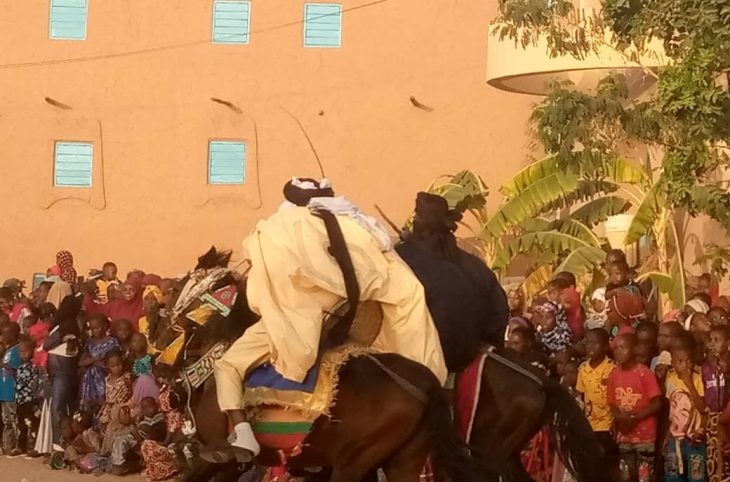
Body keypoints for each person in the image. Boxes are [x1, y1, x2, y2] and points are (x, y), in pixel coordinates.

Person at [212, 179, 447, 461]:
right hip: (352, 320)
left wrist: (277, 309)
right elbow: (392, 279)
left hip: (301, 321)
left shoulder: (279, 229)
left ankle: (243, 435)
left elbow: (265, 291)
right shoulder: (356, 226)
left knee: (227, 364)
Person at [607, 333, 662, 482]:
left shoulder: (644, 373)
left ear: (635, 349)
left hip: (645, 436)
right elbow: (612, 404)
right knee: (625, 476)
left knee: (644, 476)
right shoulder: (613, 375)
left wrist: (636, 418)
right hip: (624, 435)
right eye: (616, 348)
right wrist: (621, 419)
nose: (618, 351)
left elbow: (657, 403)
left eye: (623, 347)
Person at [664, 344, 707, 482]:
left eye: (688, 361)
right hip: (674, 437)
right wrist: (667, 434)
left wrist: (689, 383)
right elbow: (671, 409)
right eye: (680, 361)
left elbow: (702, 408)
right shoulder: (670, 380)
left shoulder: (698, 379)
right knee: (673, 474)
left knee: (696, 475)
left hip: (694, 437)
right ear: (672, 363)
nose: (685, 365)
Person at [577, 328, 618, 471]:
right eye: (588, 343)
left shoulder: (612, 368)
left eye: (595, 343)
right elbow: (581, 395)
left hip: (608, 424)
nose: (591, 347)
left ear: (606, 346)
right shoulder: (583, 369)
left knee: (607, 461)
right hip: (589, 424)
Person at [703, 326, 728, 482]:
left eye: (717, 340)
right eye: (711, 340)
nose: (712, 344)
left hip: (727, 417)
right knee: (714, 461)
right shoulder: (705, 367)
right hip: (712, 419)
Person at [79, 315, 119, 412]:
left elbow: (112, 361)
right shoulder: (89, 343)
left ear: (105, 326)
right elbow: (80, 363)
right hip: (89, 380)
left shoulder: (112, 342)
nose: (94, 331)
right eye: (92, 329)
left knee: (103, 406)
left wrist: (94, 363)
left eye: (97, 328)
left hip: (104, 378)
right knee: (89, 407)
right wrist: (94, 360)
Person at [0, 322, 21, 455]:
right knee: (6, 420)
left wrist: (2, 363)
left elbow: (15, 368)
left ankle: (18, 445)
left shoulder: (18, 349)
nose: (2, 336)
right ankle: (7, 445)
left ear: (13, 335)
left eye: (5, 333)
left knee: (14, 420)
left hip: (12, 391)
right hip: (3, 391)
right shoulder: (7, 350)